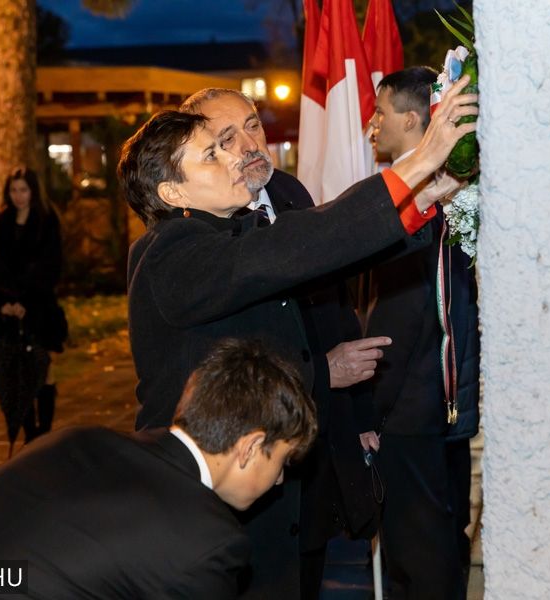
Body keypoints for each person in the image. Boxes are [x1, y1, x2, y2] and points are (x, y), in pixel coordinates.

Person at [119, 76, 475, 599]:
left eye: (240, 138)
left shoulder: (233, 233)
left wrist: (424, 195)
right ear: (173, 193)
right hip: (203, 502)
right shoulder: (171, 254)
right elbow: (295, 246)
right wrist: (417, 163)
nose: (236, 157)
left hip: (262, 484)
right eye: (214, 154)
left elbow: (322, 258)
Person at [180, 88, 390, 600]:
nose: (250, 144)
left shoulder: (290, 191)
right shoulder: (196, 230)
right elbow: (224, 355)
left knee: (309, 564)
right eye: (227, 138)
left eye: (253, 125)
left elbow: (334, 305)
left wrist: (359, 414)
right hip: (244, 454)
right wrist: (320, 369)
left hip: (315, 436)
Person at [0, 339, 319, 600]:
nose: (280, 480)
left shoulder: (72, 440)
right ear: (250, 447)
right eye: (282, 461)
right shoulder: (205, 541)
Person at [365, 66, 481, 600]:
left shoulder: (414, 203)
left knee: (420, 564)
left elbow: (400, 314)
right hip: (448, 405)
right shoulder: (454, 191)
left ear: (413, 120)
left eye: (380, 112)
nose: (371, 124)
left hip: (410, 409)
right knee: (445, 548)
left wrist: (371, 410)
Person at [0, 166, 66, 443]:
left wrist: (25, 301)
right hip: (7, 311)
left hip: (39, 309)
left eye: (23, 190)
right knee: (17, 373)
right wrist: (5, 302)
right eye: (13, 190)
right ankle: (29, 432)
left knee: (42, 369)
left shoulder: (46, 222)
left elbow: (50, 267)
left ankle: (44, 431)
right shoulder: (0, 225)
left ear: (33, 191)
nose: (18, 196)